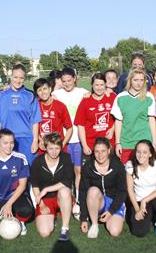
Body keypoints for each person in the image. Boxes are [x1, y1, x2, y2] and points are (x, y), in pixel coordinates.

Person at [0, 129, 34, 239]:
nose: (9, 146)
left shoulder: (20, 158)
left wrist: (8, 204)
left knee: (26, 211)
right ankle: (3, 216)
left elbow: (22, 185)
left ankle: (19, 221)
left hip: (16, 196)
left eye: (12, 142)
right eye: (5, 143)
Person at [74, 73, 116, 213]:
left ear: (106, 85)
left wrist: (112, 128)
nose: (99, 88)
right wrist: (85, 145)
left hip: (109, 145)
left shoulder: (112, 98)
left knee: (111, 173)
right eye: (96, 85)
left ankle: (111, 201)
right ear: (92, 85)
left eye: (102, 85)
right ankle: (81, 202)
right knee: (86, 175)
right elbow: (80, 125)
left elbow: (119, 117)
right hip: (91, 145)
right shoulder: (85, 101)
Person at [52, 67, 89, 217]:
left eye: (69, 80)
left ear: (75, 78)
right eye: (64, 81)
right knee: (65, 172)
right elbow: (41, 94)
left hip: (78, 139)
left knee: (78, 171)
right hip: (64, 140)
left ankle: (79, 201)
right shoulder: (56, 94)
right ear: (60, 81)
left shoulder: (82, 93)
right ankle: (67, 199)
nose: (67, 84)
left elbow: (98, 94)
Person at [0, 64, 41, 165]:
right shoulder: (1, 95)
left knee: (28, 171)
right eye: (15, 77)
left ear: (25, 78)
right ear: (11, 76)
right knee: (9, 172)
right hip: (7, 140)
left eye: (21, 78)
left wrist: (35, 140)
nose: (18, 81)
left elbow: (35, 120)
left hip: (26, 139)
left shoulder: (30, 95)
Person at [79, 137, 126, 238]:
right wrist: (83, 218)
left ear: (109, 151)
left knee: (115, 231)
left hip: (114, 201)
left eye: (103, 151)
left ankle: (116, 215)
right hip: (98, 202)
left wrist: (111, 211)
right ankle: (95, 225)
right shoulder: (88, 167)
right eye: (97, 151)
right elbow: (83, 192)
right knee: (92, 190)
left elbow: (122, 191)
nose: (100, 155)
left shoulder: (117, 165)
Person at [31, 133, 74, 241]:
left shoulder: (66, 158)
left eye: (57, 148)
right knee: (45, 232)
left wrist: (46, 189)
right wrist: (41, 205)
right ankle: (54, 214)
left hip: (62, 196)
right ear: (45, 147)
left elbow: (67, 182)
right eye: (50, 148)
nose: (54, 152)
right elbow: (35, 185)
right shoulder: (37, 162)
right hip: (45, 200)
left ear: (61, 147)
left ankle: (65, 228)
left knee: (64, 191)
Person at [112, 68, 156, 164]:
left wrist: (154, 142)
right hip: (126, 143)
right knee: (127, 174)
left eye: (141, 80)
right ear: (130, 80)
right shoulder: (120, 97)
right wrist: (118, 143)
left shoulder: (149, 97)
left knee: (144, 174)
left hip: (144, 142)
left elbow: (152, 120)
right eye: (135, 80)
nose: (139, 83)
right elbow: (118, 122)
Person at [125, 140, 156, 237]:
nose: (141, 155)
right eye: (138, 151)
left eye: (145, 152)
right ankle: (150, 216)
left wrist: (145, 200)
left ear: (150, 154)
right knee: (139, 232)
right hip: (139, 202)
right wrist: (137, 209)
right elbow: (130, 190)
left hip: (154, 199)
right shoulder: (130, 165)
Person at [33, 78, 72, 153]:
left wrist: (62, 144)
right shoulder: (35, 106)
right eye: (39, 90)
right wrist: (40, 140)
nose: (43, 92)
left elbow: (69, 128)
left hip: (57, 148)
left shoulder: (60, 106)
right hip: (42, 149)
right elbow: (33, 126)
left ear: (50, 89)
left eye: (45, 89)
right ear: (36, 93)